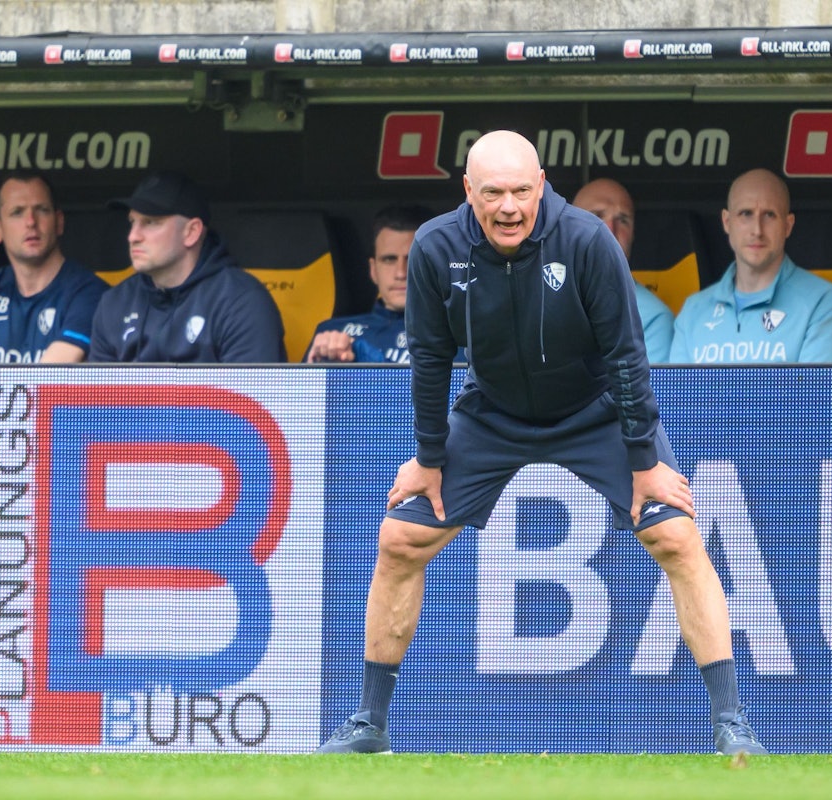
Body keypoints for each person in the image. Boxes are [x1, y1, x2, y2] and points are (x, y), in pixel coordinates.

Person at [316, 130, 767, 756]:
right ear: (467, 191)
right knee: (399, 538)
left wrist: (643, 461)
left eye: (522, 191)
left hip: (595, 412)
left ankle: (731, 725)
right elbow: (429, 358)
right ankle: (368, 723)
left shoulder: (586, 240)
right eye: (494, 192)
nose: (509, 207)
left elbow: (627, 356)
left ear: (543, 186)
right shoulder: (436, 248)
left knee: (677, 535)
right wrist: (428, 456)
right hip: (493, 413)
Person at [89, 170, 285, 362]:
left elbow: (246, 394)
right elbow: (99, 394)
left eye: (150, 222)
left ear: (191, 232)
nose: (133, 236)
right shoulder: (114, 304)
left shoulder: (240, 302)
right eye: (132, 222)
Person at [669, 168, 832, 364]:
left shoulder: (823, 303)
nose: (757, 230)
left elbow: (814, 394)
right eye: (746, 213)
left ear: (788, 225)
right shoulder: (692, 311)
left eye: (769, 215)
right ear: (726, 222)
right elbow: (673, 395)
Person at [0, 170, 108, 363]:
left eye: (41, 210)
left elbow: (48, 378)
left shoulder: (91, 294)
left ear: (59, 222)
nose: (31, 222)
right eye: (17, 212)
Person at [304, 204, 433, 363]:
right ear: (373, 270)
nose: (401, 273)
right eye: (389, 260)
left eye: (413, 260)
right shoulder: (330, 334)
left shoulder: (461, 338)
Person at [572, 177, 674, 362]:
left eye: (623, 220)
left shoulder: (654, 317)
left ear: (633, 234)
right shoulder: (541, 299)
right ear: (568, 228)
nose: (610, 231)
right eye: (596, 216)